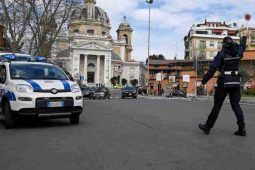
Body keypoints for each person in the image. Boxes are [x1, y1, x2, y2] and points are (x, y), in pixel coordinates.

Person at [199, 35, 247, 136]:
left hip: (224, 83)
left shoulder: (221, 54)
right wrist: (244, 38)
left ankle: (207, 127)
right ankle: (241, 128)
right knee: (236, 105)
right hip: (235, 82)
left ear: (224, 44)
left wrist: (203, 81)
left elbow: (212, 69)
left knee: (217, 105)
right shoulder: (238, 52)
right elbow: (242, 46)